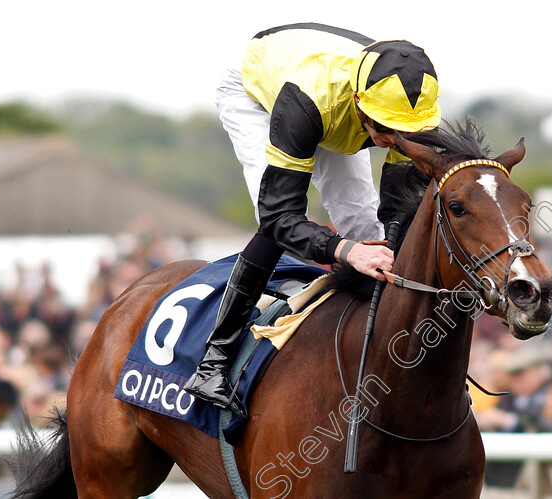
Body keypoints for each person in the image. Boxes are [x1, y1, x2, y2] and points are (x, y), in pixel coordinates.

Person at [184, 23, 441, 417]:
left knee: (366, 225)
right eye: (385, 130)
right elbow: (279, 216)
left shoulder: (411, 111)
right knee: (275, 225)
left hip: (333, 103)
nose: (391, 141)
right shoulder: (308, 103)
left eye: (403, 132)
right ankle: (213, 362)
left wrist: (381, 244)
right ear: (359, 103)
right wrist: (343, 250)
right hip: (260, 95)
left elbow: (397, 206)